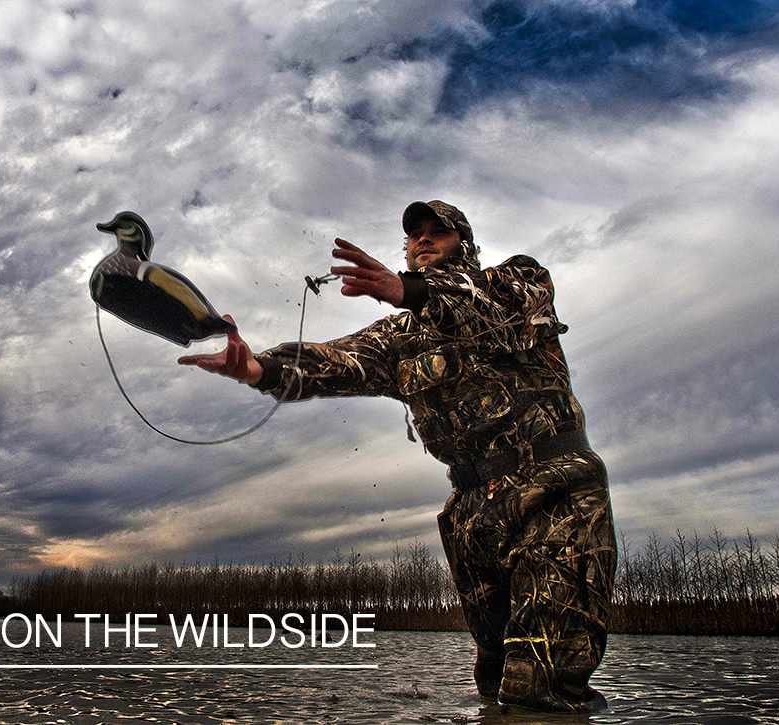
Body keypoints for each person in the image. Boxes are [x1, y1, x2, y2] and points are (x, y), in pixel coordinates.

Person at [178, 200, 617, 713]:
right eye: (415, 236)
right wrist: (260, 368)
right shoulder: (399, 339)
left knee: (540, 686)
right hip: (472, 514)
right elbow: (335, 360)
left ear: (466, 245)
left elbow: (488, 312)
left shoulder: (518, 282)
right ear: (406, 252)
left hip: (555, 490)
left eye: (439, 233)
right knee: (495, 686)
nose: (424, 240)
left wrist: (406, 291)